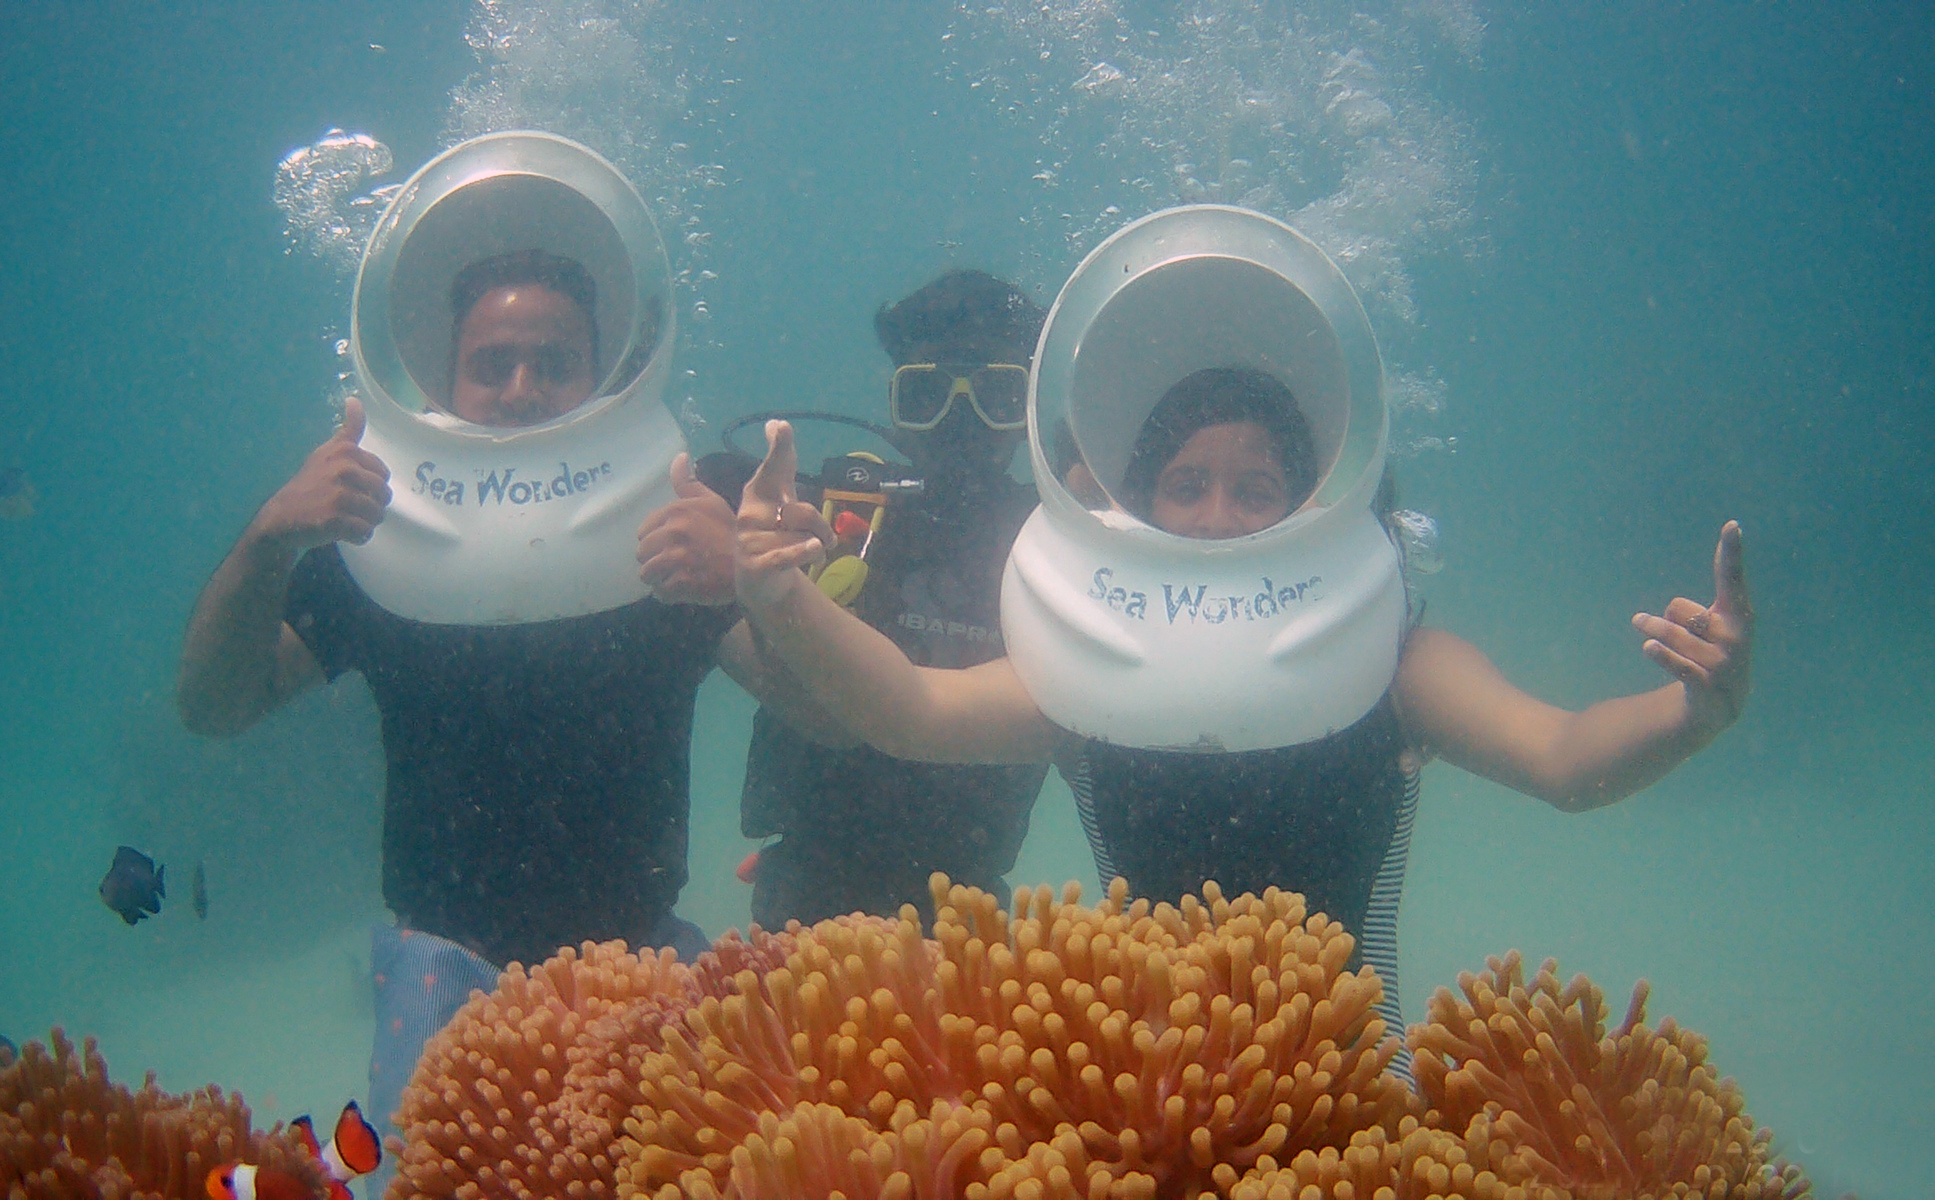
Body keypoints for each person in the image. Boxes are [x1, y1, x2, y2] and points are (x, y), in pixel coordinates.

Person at [731, 365, 1753, 959]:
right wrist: (778, 595)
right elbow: (912, 710)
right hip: (1137, 1081)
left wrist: (1689, 716)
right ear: (1138, 512)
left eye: (1255, 487)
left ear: (1314, 510)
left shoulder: (1395, 664)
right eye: (1185, 485)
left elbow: (1563, 758)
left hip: (1350, 1079)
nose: (1218, 515)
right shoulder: (1094, 667)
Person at [176, 249, 743, 1132]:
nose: (521, 388)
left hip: (646, 951)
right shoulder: (384, 543)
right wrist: (268, 540)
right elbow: (215, 708)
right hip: (437, 959)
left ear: (606, 381)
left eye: (554, 363)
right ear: (442, 386)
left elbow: (822, 708)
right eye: (491, 365)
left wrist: (751, 580)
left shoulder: (662, 538)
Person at [716, 270, 1051, 926]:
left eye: (998, 394)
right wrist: (719, 524)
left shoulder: (1056, 546)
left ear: (1028, 409)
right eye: (928, 393)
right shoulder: (838, 511)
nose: (964, 420)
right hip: (805, 880)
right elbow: (721, 487)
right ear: (897, 402)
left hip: (967, 894)